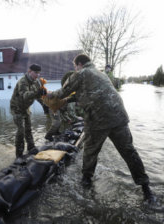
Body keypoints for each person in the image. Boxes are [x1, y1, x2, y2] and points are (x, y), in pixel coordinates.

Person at [47, 54, 155, 202]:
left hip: (98, 119)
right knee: (129, 152)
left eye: (74, 66)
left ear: (79, 64)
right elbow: (90, 94)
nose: (74, 68)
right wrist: (69, 100)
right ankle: (147, 190)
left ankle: (86, 185)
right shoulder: (101, 74)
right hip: (119, 117)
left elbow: (62, 92)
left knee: (90, 153)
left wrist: (48, 95)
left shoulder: (80, 73)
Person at [10, 64, 47, 157]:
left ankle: (31, 147)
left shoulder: (37, 82)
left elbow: (38, 96)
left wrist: (44, 105)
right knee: (21, 131)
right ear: (29, 71)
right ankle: (19, 154)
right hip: (17, 108)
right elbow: (25, 95)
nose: (37, 75)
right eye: (35, 73)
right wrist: (37, 92)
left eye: (39, 73)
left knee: (28, 129)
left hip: (26, 108)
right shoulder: (23, 81)